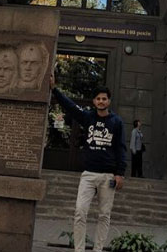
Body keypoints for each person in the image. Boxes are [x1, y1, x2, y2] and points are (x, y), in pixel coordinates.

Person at [50, 74, 126, 252]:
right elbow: (70, 106)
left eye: (104, 99)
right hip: (88, 174)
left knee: (104, 215)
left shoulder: (117, 122)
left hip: (108, 176)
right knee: (80, 211)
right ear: (94, 101)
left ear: (109, 101)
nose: (101, 101)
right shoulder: (88, 117)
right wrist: (54, 89)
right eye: (98, 99)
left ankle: (98, 249)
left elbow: (121, 148)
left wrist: (120, 173)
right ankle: (79, 249)